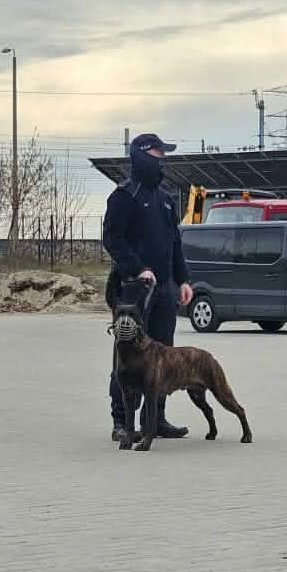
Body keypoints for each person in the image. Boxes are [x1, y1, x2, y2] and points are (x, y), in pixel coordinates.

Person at [102, 133, 195, 443]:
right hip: (133, 291)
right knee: (128, 355)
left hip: (165, 290)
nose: (163, 159)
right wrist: (138, 268)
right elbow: (113, 239)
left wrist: (183, 280)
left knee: (162, 355)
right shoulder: (124, 196)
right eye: (159, 153)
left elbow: (175, 243)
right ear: (143, 155)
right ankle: (121, 421)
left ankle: (155, 420)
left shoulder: (165, 199)